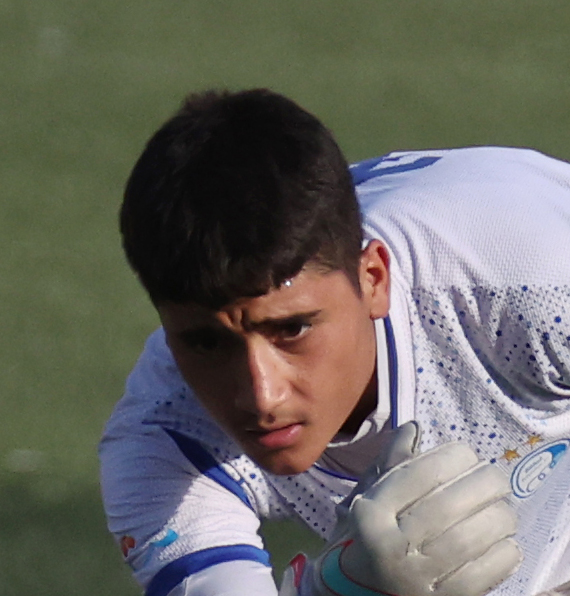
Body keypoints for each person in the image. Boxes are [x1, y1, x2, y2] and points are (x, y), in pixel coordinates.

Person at [99, 88, 570, 596]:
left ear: (373, 279)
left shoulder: (528, 286)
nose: (262, 395)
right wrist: (337, 588)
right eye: (207, 344)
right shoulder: (166, 444)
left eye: (292, 329)